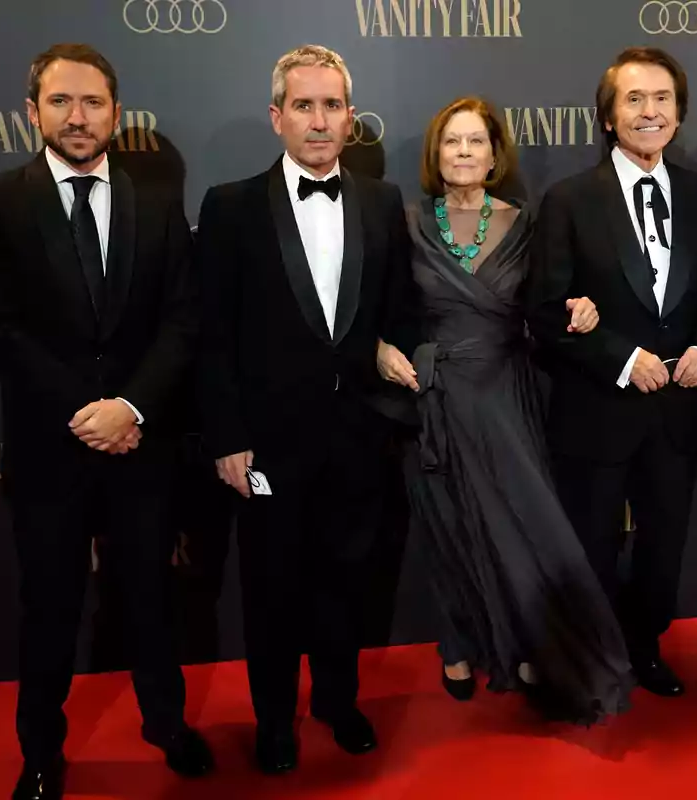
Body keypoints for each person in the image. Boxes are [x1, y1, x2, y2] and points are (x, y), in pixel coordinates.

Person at [0, 44, 213, 800]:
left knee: (151, 600)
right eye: (61, 101)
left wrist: (129, 409)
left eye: (93, 102)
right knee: (50, 606)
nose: (78, 116)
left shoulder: (157, 204)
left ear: (116, 114)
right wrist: (85, 413)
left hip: (143, 444)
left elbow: (182, 322)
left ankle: (166, 725)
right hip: (49, 451)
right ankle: (40, 753)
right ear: (31, 112)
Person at [196, 45, 420, 775]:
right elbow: (213, 335)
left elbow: (398, 311)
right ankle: (273, 721)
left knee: (346, 584)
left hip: (357, 437)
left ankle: (337, 701)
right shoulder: (229, 207)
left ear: (350, 117)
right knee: (270, 591)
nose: (319, 121)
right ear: (277, 116)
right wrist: (227, 436)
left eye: (332, 106)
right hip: (267, 444)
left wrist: (389, 366)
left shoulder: (382, 202)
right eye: (303, 105)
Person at [375, 97, 633, 724]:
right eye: (451, 142)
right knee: (450, 527)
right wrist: (381, 348)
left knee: (521, 526)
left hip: (504, 394)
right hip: (433, 395)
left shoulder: (526, 222)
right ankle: (459, 645)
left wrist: (583, 309)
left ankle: (526, 644)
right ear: (436, 155)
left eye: (475, 142)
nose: (463, 153)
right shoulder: (406, 222)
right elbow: (381, 306)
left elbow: (548, 304)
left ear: (495, 155)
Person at [526, 47, 697, 698]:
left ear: (679, 113)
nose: (651, 112)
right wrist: (621, 358)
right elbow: (544, 312)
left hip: (678, 414)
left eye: (663, 99)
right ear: (609, 117)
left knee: (663, 547)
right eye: (635, 100)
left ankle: (644, 649)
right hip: (596, 410)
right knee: (588, 547)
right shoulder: (567, 200)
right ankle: (589, 659)